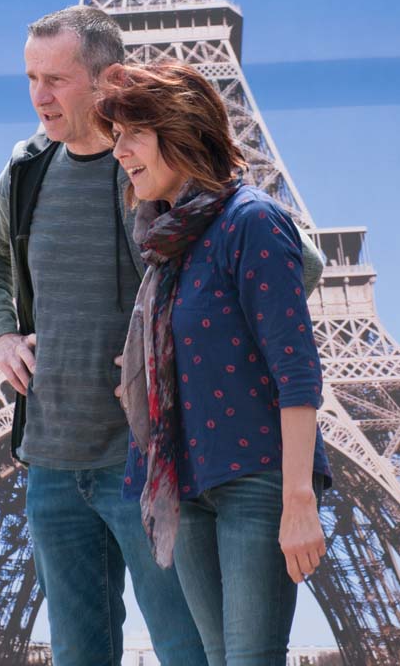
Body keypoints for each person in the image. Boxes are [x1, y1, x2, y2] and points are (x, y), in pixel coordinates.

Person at [0, 6, 211, 666]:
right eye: (31, 78)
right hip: (50, 463)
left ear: (108, 78)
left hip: (146, 459)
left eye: (56, 79)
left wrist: (176, 343)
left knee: (189, 650)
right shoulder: (26, 171)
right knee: (77, 655)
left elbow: (284, 259)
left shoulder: (158, 163)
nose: (39, 96)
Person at [92, 59, 332, 666]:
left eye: (133, 134)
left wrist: (299, 500)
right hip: (188, 486)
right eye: (115, 136)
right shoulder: (168, 241)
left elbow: (296, 372)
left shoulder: (252, 221)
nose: (118, 151)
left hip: (255, 481)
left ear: (179, 129)